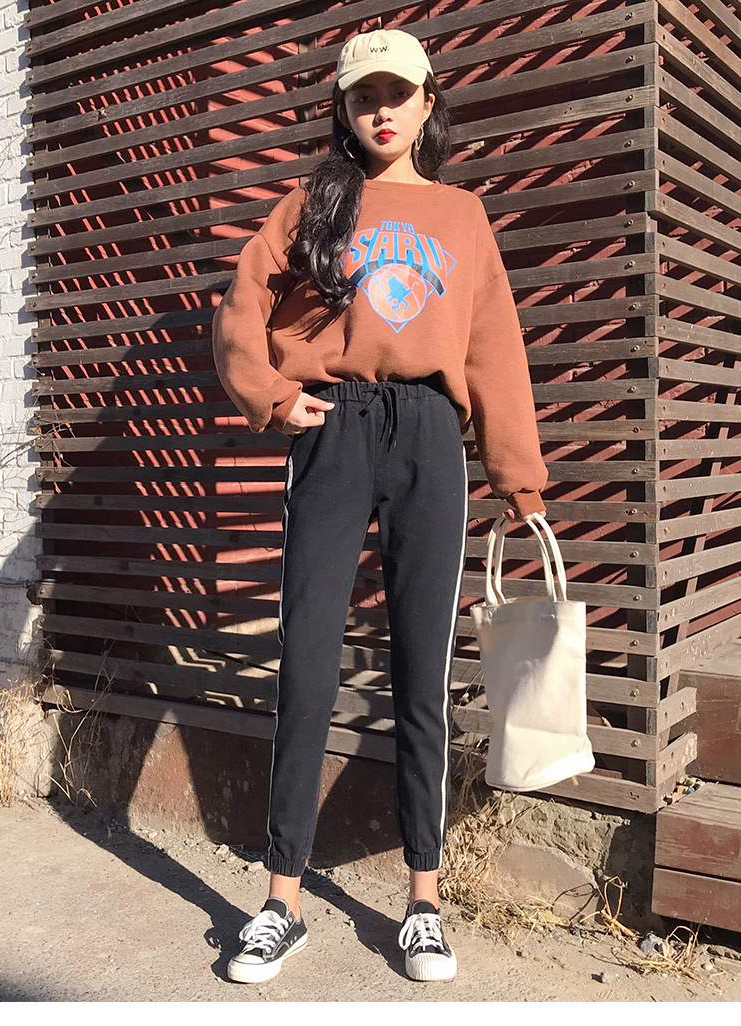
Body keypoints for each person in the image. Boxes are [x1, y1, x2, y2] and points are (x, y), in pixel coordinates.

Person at [211, 27, 547, 985]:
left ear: (429, 103)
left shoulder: (461, 214)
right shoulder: (313, 203)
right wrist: (274, 397)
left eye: (399, 94)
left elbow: (494, 347)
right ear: (344, 110)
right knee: (308, 657)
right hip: (335, 428)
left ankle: (423, 902)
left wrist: (517, 477)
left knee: (421, 669)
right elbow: (242, 306)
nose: (382, 111)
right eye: (365, 97)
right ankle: (281, 900)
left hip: (431, 433)